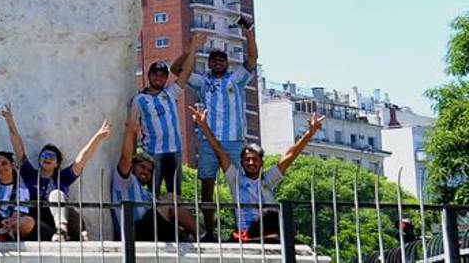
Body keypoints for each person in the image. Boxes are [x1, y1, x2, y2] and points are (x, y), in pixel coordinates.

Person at [190, 104, 324, 242]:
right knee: (270, 214)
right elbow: (219, 151)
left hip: (267, 230)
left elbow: (290, 156)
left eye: (255, 160)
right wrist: (204, 126)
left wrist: (310, 133)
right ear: (242, 163)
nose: (251, 163)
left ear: (261, 163)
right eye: (247, 160)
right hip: (246, 232)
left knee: (276, 215)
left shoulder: (267, 179)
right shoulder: (236, 180)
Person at [176, 19, 258, 242]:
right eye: (214, 59)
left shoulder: (236, 78)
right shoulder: (203, 81)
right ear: (209, 63)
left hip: (233, 141)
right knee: (206, 187)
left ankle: (246, 231)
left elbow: (252, 59)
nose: (218, 62)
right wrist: (191, 48)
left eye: (222, 59)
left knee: (240, 188)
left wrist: (248, 32)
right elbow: (176, 70)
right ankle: (210, 233)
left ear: (227, 63)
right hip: (208, 141)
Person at [0, 103, 112, 240]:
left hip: (65, 223)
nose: (47, 158)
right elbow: (18, 149)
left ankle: (62, 230)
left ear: (57, 163)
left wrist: (98, 137)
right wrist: (10, 122)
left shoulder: (63, 177)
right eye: (44, 155)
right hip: (41, 226)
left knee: (56, 194)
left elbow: (82, 159)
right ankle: (57, 236)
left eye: (51, 157)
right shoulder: (30, 175)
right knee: (23, 223)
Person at [111, 108, 198, 241]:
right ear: (133, 166)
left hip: (151, 228)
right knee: (170, 199)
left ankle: (190, 239)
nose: (146, 171)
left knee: (173, 209)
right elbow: (126, 158)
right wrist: (130, 131)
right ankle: (203, 235)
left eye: (150, 170)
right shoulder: (126, 182)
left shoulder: (146, 192)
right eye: (142, 167)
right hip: (134, 231)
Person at [130, 60, 184, 195]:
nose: (158, 78)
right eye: (155, 74)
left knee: (175, 194)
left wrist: (193, 48)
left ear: (166, 78)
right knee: (152, 192)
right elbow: (132, 127)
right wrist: (132, 155)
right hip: (152, 153)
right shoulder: (139, 99)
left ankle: (174, 216)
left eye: (162, 75)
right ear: (148, 76)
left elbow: (186, 74)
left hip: (174, 150)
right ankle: (151, 215)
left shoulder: (171, 92)